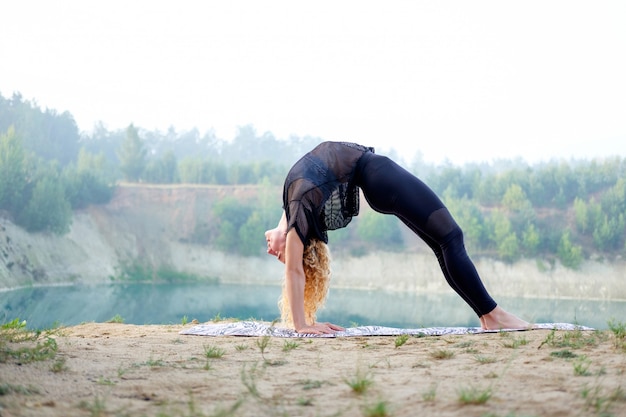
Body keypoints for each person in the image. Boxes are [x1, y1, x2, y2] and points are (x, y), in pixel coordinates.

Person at [265, 141, 529, 334]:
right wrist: (301, 326)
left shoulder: (292, 204)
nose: (270, 251)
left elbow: (293, 254)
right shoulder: (299, 203)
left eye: (277, 253)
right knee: (451, 237)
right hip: (380, 177)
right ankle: (493, 314)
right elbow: (294, 270)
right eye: (281, 254)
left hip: (377, 181)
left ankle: (487, 316)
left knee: (442, 245)